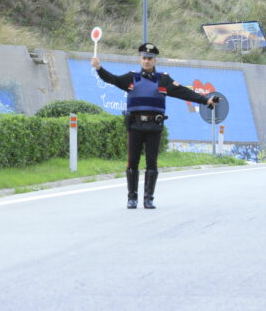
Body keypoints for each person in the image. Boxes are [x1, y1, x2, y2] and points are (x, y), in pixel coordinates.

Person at [91, 43, 217, 209]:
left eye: (150, 58)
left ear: (155, 60)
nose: (147, 61)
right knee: (132, 162)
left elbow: (184, 93)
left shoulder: (163, 79)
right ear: (140, 59)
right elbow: (112, 79)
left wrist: (205, 100)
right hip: (135, 125)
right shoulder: (131, 77)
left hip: (154, 126)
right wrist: (99, 68)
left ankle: (148, 198)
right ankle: (132, 198)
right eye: (144, 58)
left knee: (152, 162)